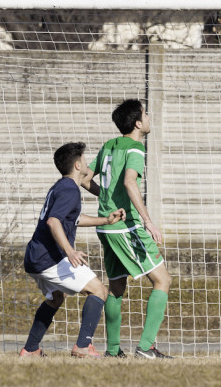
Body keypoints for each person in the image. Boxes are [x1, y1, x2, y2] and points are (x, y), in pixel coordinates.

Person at [20, 142, 126, 358]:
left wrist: (105, 220)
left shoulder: (60, 187)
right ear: (78, 165)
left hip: (35, 257)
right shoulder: (70, 189)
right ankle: (83, 346)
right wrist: (70, 251)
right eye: (85, 160)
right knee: (99, 290)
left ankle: (30, 349)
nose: (88, 163)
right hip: (50, 258)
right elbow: (53, 221)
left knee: (55, 298)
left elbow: (72, 219)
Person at [89, 99, 173, 359]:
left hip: (106, 226)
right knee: (163, 280)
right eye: (146, 113)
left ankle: (113, 350)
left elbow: (84, 178)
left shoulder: (109, 146)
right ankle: (146, 347)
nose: (149, 117)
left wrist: (105, 199)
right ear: (138, 123)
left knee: (116, 287)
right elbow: (129, 182)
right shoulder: (135, 148)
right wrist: (147, 220)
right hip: (127, 226)